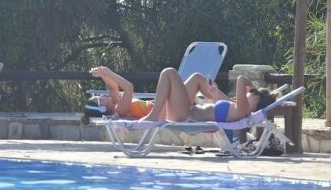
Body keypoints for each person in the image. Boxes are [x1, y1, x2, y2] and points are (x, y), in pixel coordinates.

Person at [139, 67, 276, 122]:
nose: (249, 92)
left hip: (185, 116)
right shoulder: (237, 108)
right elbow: (215, 112)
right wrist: (215, 94)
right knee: (197, 77)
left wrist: (252, 85)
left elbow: (241, 79)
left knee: (169, 73)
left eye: (253, 93)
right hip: (188, 111)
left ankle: (154, 114)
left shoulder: (242, 110)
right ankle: (158, 110)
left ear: (256, 100)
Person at [82, 66, 156, 124]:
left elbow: (113, 87)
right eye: (100, 99)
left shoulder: (115, 103)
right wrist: (109, 73)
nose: (102, 96)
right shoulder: (119, 110)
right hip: (162, 111)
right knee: (166, 73)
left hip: (158, 105)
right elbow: (129, 88)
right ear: (102, 108)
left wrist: (102, 74)